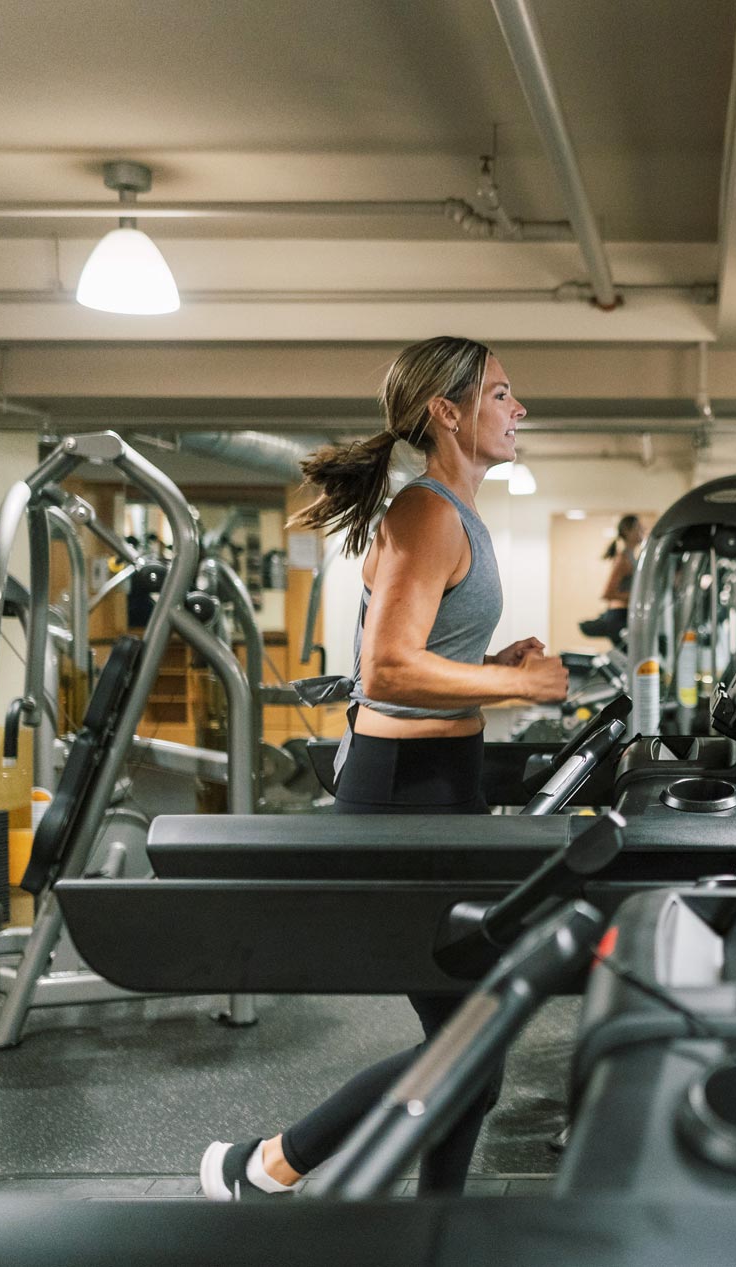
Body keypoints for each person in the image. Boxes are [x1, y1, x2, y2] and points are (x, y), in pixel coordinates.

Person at [198, 335, 567, 1201]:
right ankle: (262, 1165)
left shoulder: (450, 512)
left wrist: (488, 659)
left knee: (474, 1048)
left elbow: (424, 656)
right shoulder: (426, 512)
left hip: (443, 786)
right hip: (404, 795)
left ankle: (417, 1219)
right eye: (504, 394)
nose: (520, 409)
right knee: (465, 1047)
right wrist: (513, 683)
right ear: (450, 410)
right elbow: (386, 670)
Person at [578, 514, 644, 647]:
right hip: (619, 616)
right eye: (638, 528)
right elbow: (607, 594)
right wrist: (635, 596)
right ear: (627, 531)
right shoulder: (623, 559)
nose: (641, 532)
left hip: (628, 613)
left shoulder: (632, 557)